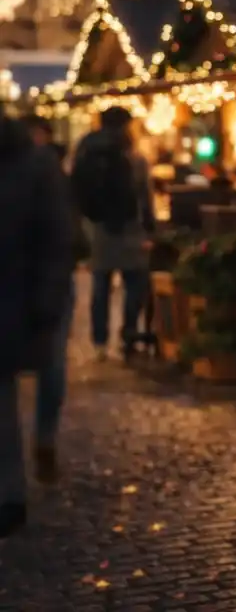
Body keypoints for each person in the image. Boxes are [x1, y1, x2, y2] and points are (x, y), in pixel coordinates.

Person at [0, 109, 75, 537]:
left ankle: (10, 494)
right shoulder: (37, 164)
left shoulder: (34, 165)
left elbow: (56, 238)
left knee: (6, 396)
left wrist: (46, 302)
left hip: (17, 300)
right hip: (21, 298)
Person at [15, 115, 74, 486]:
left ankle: (44, 439)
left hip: (47, 282)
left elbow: (64, 233)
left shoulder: (52, 173)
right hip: (31, 282)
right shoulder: (48, 172)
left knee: (52, 365)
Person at [71, 107, 154, 360]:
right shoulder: (134, 156)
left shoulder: (86, 151)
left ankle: (99, 341)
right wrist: (150, 228)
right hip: (129, 228)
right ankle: (128, 335)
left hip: (97, 228)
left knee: (101, 286)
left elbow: (75, 189)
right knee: (134, 283)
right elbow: (145, 197)